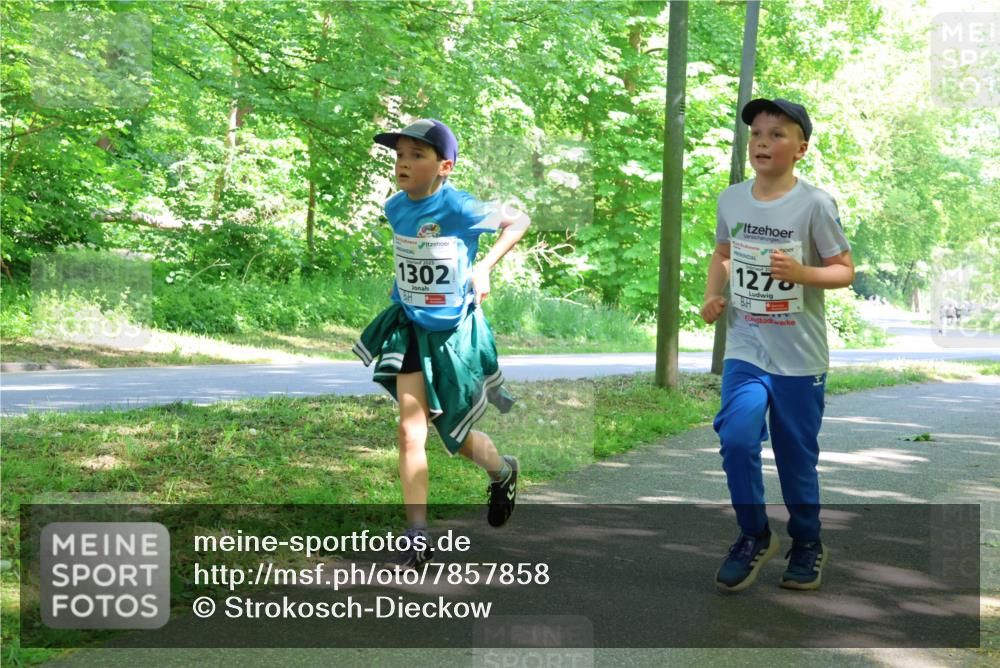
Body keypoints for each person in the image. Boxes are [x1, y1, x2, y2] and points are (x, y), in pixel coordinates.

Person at [353, 118, 530, 569]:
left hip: (453, 335)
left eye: (416, 156)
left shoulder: (461, 207)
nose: (403, 164)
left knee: (455, 434)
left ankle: (501, 470)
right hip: (411, 328)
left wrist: (485, 266)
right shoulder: (395, 207)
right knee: (410, 429)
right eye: (399, 156)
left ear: (444, 166)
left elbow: (519, 219)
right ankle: (416, 535)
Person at [700, 98, 854, 592]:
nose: (763, 142)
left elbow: (844, 270)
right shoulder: (732, 199)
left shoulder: (814, 203)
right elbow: (723, 253)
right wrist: (712, 295)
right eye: (757, 135)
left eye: (777, 134)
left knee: (795, 459)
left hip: (799, 355)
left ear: (801, 149)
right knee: (738, 437)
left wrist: (802, 273)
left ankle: (807, 541)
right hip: (746, 347)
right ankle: (753, 535)